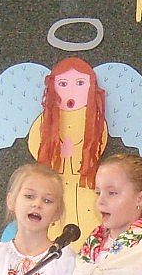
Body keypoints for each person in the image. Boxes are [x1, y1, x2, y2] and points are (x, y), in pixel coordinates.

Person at [27, 57, 108, 242]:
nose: (71, 91)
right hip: (55, 184)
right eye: (63, 84)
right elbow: (36, 148)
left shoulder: (94, 122)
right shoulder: (44, 122)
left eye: (80, 83)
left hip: (83, 184)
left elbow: (98, 147)